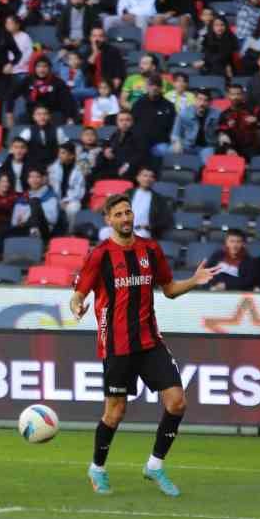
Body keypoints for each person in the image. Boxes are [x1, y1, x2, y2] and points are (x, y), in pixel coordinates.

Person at [67, 192, 217, 497]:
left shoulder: (150, 249)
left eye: (128, 213)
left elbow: (170, 290)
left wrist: (194, 280)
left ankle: (155, 465)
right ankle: (97, 468)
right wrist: (77, 306)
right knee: (115, 412)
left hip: (150, 341)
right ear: (108, 220)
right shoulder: (100, 255)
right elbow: (78, 293)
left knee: (177, 402)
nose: (125, 218)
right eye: (118, 214)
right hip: (116, 345)